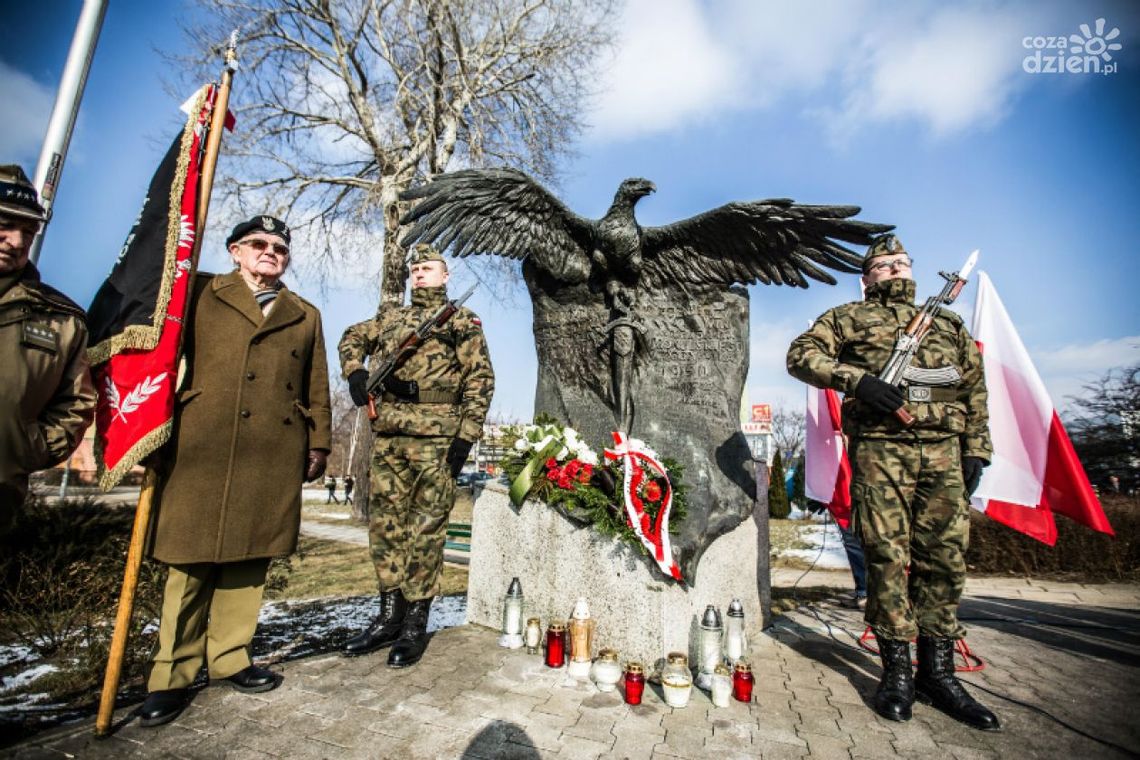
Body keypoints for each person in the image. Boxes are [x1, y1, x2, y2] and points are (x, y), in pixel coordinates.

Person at [787, 234, 999, 731]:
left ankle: (940, 674)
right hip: (884, 451)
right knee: (887, 557)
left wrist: (976, 449)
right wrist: (858, 381)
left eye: (902, 263)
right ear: (867, 278)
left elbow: (974, 389)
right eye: (884, 266)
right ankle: (898, 673)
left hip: (945, 454)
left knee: (944, 561)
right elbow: (801, 356)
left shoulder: (948, 323)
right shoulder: (849, 318)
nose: (895, 271)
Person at [138, 215, 331, 727]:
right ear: (234, 251)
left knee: (250, 560)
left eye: (280, 248)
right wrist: (145, 429)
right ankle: (171, 675)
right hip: (203, 443)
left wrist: (320, 445)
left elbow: (317, 387)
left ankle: (229, 659)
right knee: (190, 558)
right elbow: (157, 358)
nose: (272, 253)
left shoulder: (304, 314)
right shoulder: (197, 291)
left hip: (273, 450)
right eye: (259, 244)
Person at [338, 243, 494, 667]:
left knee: (426, 530)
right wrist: (355, 371)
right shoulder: (391, 318)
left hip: (436, 438)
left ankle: (414, 624)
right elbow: (353, 336)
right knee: (385, 527)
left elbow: (480, 378)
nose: (420, 273)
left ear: (446, 276)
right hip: (389, 435)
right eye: (415, 268)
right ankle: (389, 617)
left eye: (429, 268)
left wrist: (467, 436)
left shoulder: (461, 320)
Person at [0, 165, 95, 525]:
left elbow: (76, 404)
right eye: (5, 224)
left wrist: (24, 447)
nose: (18, 241)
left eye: (28, 230)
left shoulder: (62, 319)